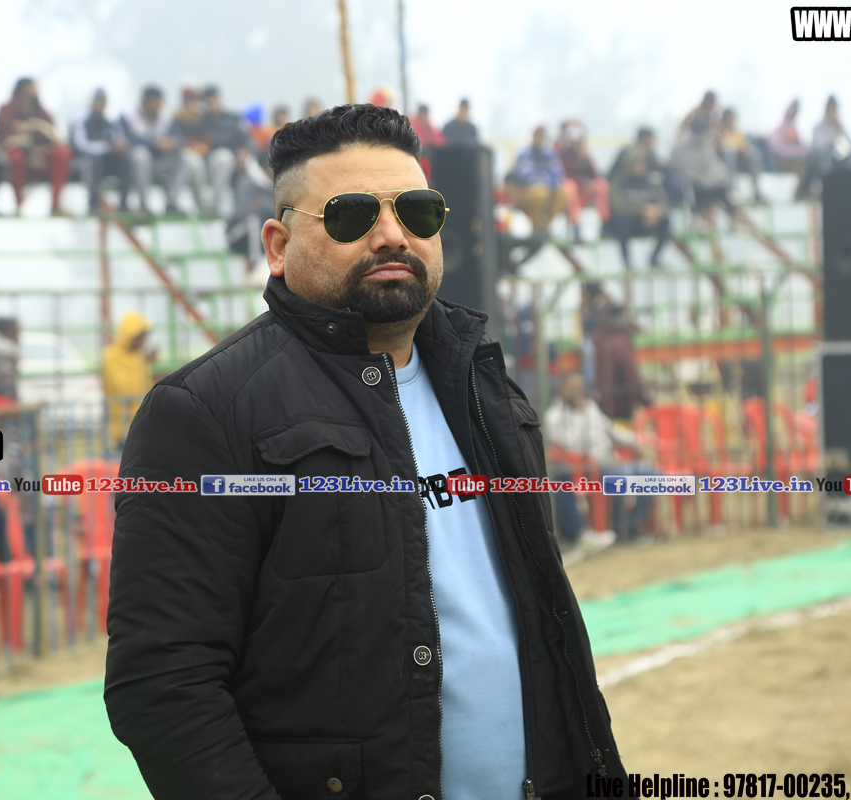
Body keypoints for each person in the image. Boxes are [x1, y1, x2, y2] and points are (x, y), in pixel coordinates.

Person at [104, 103, 626, 800]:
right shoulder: (204, 413)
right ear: (278, 246)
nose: (392, 235)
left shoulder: (487, 388)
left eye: (417, 212)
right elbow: (163, 683)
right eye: (350, 216)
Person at [544, 372, 629, 555]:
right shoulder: (555, 415)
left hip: (606, 460)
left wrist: (641, 442)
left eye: (580, 387)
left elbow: (611, 429)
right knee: (613, 478)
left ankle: (626, 530)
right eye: (572, 388)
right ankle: (584, 533)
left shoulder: (591, 407)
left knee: (640, 473)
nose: (578, 392)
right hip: (579, 465)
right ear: (562, 389)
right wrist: (581, 414)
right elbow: (570, 444)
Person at [0, 78, 72, 215]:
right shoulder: (7, 110)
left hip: (42, 156)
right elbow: (5, 139)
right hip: (20, 155)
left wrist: (41, 146)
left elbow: (52, 136)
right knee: (15, 156)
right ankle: (18, 204)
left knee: (62, 153)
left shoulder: (41, 112)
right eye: (31, 88)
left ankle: (56, 205)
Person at [123, 85, 197, 215]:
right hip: (135, 167)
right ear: (146, 102)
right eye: (155, 102)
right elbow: (127, 140)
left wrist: (172, 143)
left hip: (159, 164)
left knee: (186, 160)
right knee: (141, 154)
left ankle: (172, 202)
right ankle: (143, 204)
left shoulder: (165, 116)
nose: (158, 106)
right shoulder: (129, 114)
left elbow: (179, 138)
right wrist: (154, 143)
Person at [607, 127, 671, 269]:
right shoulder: (619, 181)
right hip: (630, 222)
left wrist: (656, 211)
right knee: (622, 220)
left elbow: (663, 202)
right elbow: (617, 204)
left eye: (641, 164)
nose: (639, 167)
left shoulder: (651, 182)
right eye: (636, 164)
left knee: (666, 222)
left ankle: (655, 258)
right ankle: (627, 260)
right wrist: (643, 210)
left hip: (649, 220)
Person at [70, 88, 132, 215]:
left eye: (102, 102)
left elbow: (117, 138)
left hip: (106, 160)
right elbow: (81, 145)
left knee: (126, 161)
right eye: (97, 101)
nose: (100, 104)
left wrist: (119, 146)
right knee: (93, 162)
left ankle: (124, 202)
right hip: (83, 160)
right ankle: (93, 203)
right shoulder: (81, 119)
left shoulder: (109, 121)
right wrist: (107, 147)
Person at [192, 85, 250, 218]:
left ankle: (226, 206)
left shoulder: (233, 118)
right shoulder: (201, 120)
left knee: (229, 159)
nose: (212, 103)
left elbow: (246, 139)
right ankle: (208, 205)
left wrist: (244, 151)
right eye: (208, 100)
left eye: (214, 99)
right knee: (220, 158)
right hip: (207, 162)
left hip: (233, 161)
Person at [101, 310, 156, 451]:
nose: (143, 341)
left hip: (141, 424)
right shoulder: (111, 355)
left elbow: (145, 385)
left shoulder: (138, 355)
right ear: (131, 336)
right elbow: (124, 388)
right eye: (141, 336)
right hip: (122, 426)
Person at [592, 303, 651, 421]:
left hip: (604, 399)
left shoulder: (600, 338)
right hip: (621, 403)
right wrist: (647, 402)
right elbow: (631, 375)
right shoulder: (620, 342)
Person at [507, 124, 568, 234]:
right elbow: (525, 175)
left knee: (564, 194)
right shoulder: (524, 153)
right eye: (537, 134)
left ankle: (545, 226)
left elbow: (557, 173)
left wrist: (549, 185)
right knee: (541, 193)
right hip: (527, 191)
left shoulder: (550, 154)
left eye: (541, 135)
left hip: (549, 190)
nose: (539, 137)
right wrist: (543, 184)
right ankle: (535, 227)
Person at [670, 116, 735, 220]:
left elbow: (716, 167)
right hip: (693, 185)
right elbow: (677, 167)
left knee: (728, 205)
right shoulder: (681, 147)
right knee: (695, 205)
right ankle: (696, 217)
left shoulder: (707, 144)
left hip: (712, 184)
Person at [557, 119, 607, 241]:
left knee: (602, 185)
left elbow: (595, 175)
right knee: (570, 186)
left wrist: (585, 157)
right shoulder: (559, 151)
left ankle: (604, 223)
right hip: (570, 191)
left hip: (584, 191)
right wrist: (583, 182)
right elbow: (563, 174)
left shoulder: (584, 153)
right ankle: (576, 226)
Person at [804, 95, 851, 198]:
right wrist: (833, 131)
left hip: (836, 158)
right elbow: (818, 146)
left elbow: (850, 144)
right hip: (821, 159)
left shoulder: (839, 125)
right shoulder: (818, 126)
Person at [719, 108, 765, 204]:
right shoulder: (719, 131)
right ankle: (729, 189)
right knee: (729, 153)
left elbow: (744, 145)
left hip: (740, 159)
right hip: (726, 160)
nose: (731, 121)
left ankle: (756, 190)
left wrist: (747, 150)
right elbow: (724, 146)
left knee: (754, 155)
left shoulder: (738, 131)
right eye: (729, 118)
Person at [767, 99, 808, 190]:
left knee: (808, 162)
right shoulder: (780, 128)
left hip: (794, 160)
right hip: (779, 161)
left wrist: (803, 151)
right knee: (801, 166)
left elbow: (803, 146)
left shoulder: (794, 129)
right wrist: (795, 152)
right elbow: (777, 149)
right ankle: (798, 192)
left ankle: (805, 190)